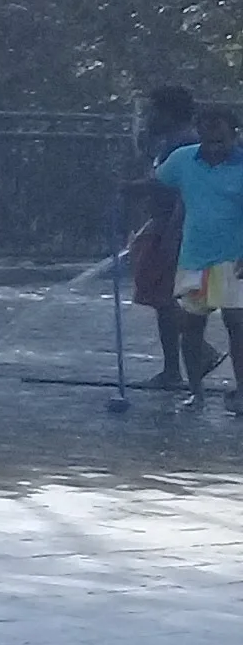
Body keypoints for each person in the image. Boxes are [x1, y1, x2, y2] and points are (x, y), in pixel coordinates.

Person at [153, 103, 243, 411]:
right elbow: (159, 181)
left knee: (237, 324)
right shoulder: (184, 159)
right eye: (207, 138)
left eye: (221, 139)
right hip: (194, 257)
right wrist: (126, 188)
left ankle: (242, 393)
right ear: (199, 133)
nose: (213, 146)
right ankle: (195, 391)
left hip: (234, 258)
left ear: (235, 135)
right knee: (191, 325)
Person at [134, 87, 218, 390]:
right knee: (162, 296)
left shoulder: (184, 144)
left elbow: (183, 189)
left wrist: (173, 230)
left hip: (175, 225)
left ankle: (193, 357)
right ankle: (174, 367)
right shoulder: (171, 143)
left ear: (168, 113)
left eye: (153, 111)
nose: (148, 117)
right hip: (165, 223)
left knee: (166, 296)